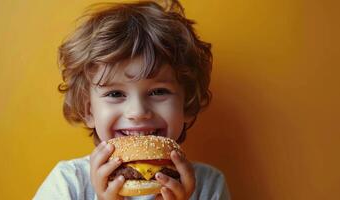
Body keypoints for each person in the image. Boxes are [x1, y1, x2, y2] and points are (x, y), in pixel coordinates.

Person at [34, 0, 230, 199]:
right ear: (89, 111)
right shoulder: (68, 182)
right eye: (115, 94)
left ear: (186, 106)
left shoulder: (208, 185)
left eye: (158, 92)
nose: (137, 112)